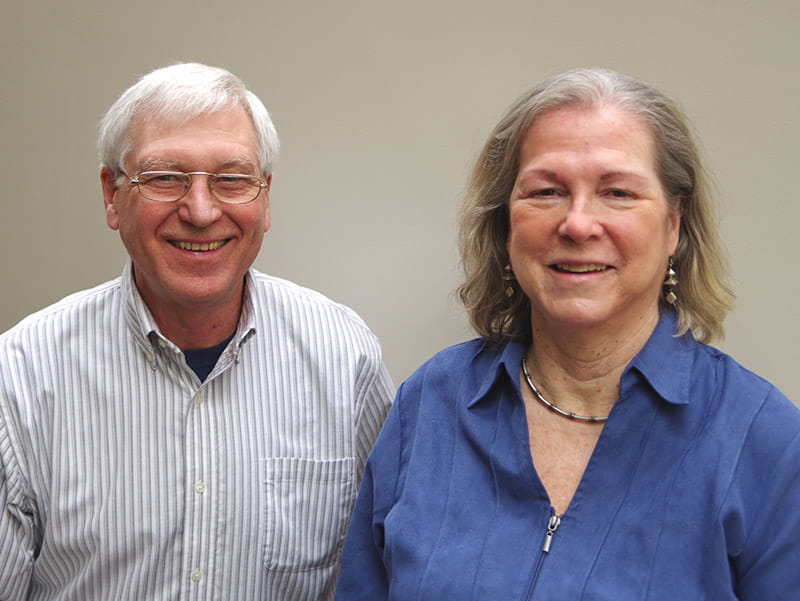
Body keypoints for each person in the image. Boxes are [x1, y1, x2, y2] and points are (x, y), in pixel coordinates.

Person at [334, 68, 800, 600]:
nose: (578, 225)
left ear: (674, 225)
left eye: (618, 192)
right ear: (506, 224)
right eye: (547, 190)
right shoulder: (431, 404)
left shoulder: (767, 444)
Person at [0, 62, 394, 601]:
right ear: (112, 196)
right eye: (165, 177)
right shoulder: (21, 375)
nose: (202, 211)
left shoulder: (345, 358)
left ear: (265, 196)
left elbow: (382, 574)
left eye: (232, 179)